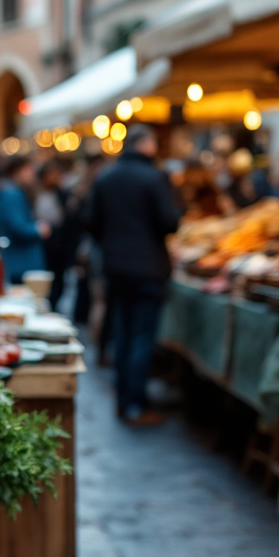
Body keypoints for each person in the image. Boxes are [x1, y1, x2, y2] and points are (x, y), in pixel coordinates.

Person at [86, 125, 183, 426]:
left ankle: (123, 400)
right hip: (148, 268)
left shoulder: (106, 177)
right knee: (142, 336)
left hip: (116, 267)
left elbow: (89, 221)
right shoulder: (155, 178)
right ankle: (135, 405)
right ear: (147, 145)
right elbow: (171, 222)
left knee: (123, 334)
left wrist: (113, 243)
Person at [0, 156, 46, 285]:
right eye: (29, 170)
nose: (33, 174)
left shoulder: (9, 190)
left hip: (17, 260)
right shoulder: (12, 194)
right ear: (18, 171)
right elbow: (18, 227)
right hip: (20, 261)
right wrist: (38, 229)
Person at [35, 160, 72, 308]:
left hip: (59, 242)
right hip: (44, 242)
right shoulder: (36, 193)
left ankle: (54, 304)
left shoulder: (62, 193)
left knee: (59, 278)